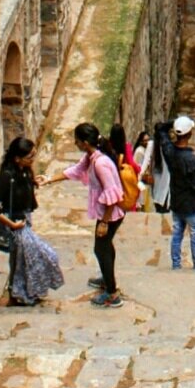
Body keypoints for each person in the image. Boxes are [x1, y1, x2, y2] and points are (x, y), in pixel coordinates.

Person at [50, 122, 125, 307]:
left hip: (111, 214)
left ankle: (112, 293)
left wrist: (104, 223)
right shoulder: (91, 157)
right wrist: (49, 180)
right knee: (105, 246)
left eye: (76, 141)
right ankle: (108, 280)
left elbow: (113, 193)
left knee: (101, 249)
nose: (75, 144)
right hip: (106, 212)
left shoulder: (100, 163)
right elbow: (75, 171)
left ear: (84, 142)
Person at [0, 136, 64, 307]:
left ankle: (26, 292)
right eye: (30, 156)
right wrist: (12, 225)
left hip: (24, 221)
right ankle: (17, 292)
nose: (33, 159)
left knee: (25, 260)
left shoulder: (23, 171)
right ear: (17, 158)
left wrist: (33, 182)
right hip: (15, 224)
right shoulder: (7, 176)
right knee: (35, 257)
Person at [157, 116, 195, 271]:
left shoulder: (169, 151)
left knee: (177, 233)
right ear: (190, 133)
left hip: (177, 200)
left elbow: (160, 129)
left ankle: (176, 264)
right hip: (192, 203)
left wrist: (173, 123)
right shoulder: (192, 159)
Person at [107, 126, 141, 213]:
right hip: (123, 175)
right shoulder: (126, 146)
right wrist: (139, 169)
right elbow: (131, 162)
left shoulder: (108, 145)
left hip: (112, 173)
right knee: (128, 192)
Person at [134, 130, 153, 212]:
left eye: (148, 140)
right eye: (145, 140)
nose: (147, 142)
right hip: (141, 181)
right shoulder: (139, 151)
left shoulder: (147, 150)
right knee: (141, 204)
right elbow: (139, 167)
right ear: (141, 141)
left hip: (146, 181)